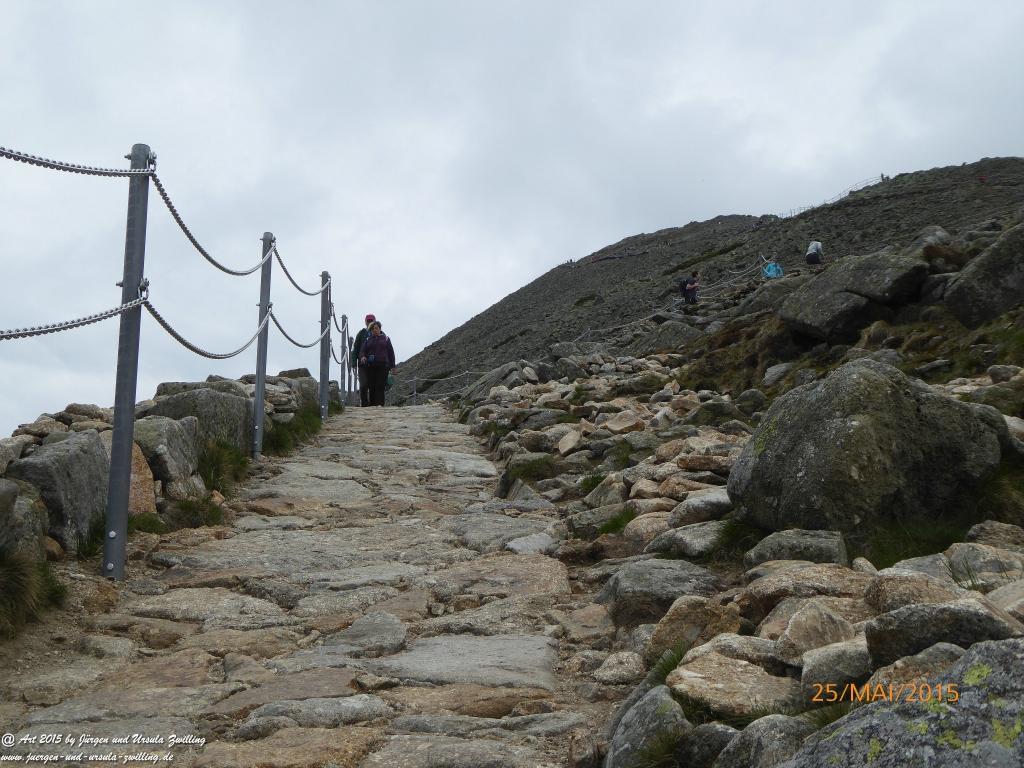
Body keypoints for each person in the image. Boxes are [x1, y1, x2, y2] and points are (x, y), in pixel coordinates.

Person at [359, 321, 396, 407]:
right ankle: (372, 405)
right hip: (371, 366)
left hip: (383, 365)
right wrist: (363, 356)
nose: (375, 330)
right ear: (371, 330)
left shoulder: (386, 339)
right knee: (372, 386)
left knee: (380, 385)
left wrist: (393, 366)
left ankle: (379, 404)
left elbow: (391, 353)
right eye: (373, 329)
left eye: (376, 328)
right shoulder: (368, 340)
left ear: (380, 329)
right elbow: (362, 351)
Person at [351, 314, 375, 407]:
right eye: (368, 320)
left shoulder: (379, 332)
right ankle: (364, 404)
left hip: (375, 364)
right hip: (362, 363)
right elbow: (356, 348)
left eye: (371, 320)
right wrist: (353, 362)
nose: (370, 322)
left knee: (373, 385)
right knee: (363, 384)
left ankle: (374, 404)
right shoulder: (361, 333)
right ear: (365, 322)